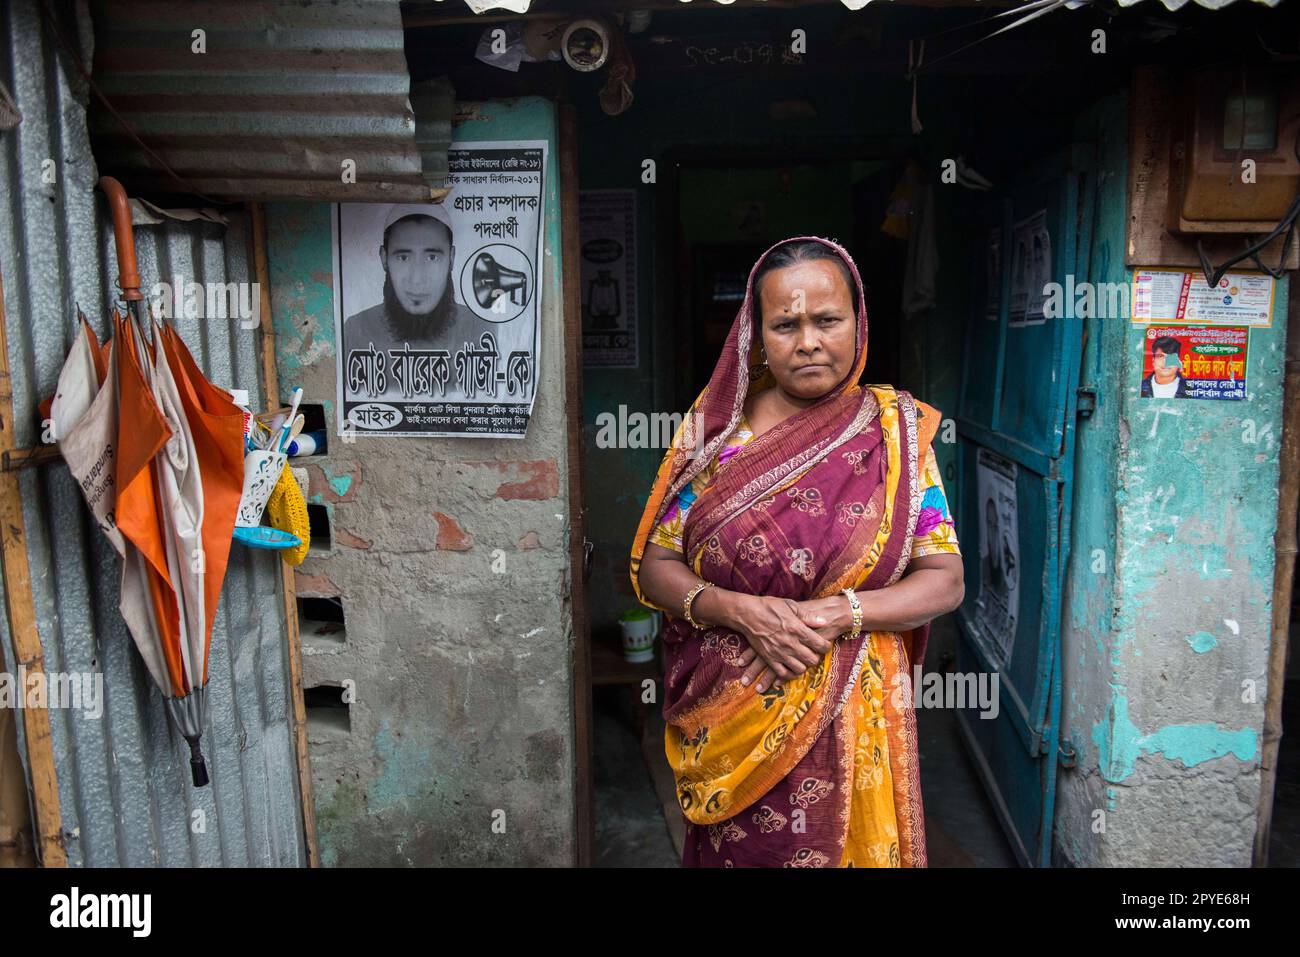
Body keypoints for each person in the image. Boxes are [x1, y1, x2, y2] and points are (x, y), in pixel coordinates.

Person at [629, 236, 965, 868]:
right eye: (785, 324)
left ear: (857, 322)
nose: (808, 341)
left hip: (857, 707)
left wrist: (836, 615)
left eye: (827, 320)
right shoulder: (715, 434)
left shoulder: (895, 433)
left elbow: (945, 579)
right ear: (756, 336)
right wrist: (740, 611)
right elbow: (655, 565)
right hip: (733, 713)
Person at [344, 203, 489, 354]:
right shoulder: (355, 330)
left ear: (451, 259)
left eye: (432, 257)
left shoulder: (481, 329)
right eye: (403, 258)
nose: (417, 279)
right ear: (384, 258)